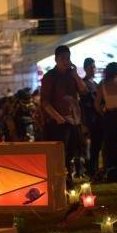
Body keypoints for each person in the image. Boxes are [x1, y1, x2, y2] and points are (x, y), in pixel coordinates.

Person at [39, 45, 86, 187]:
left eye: (68, 58)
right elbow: (44, 101)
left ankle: (68, 177)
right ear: (56, 59)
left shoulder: (71, 75)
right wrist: (57, 117)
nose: (66, 61)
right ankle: (61, 180)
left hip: (74, 119)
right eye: (63, 58)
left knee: (72, 150)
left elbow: (84, 90)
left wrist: (76, 74)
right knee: (61, 153)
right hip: (58, 121)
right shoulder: (50, 77)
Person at [80, 58, 102, 178]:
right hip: (89, 119)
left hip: (96, 119)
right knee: (90, 147)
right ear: (85, 68)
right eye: (91, 67)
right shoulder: (84, 84)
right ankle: (91, 170)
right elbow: (83, 105)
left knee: (96, 147)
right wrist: (83, 122)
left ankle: (95, 170)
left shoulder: (95, 83)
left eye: (94, 67)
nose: (93, 69)